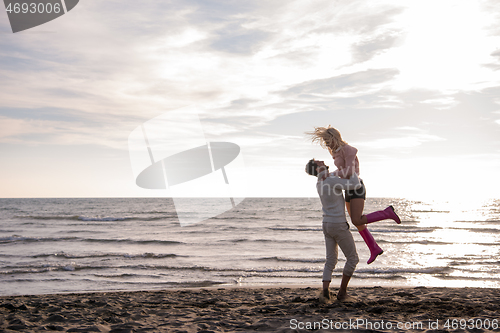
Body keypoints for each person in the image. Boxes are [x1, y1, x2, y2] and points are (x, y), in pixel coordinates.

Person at [307, 126, 401, 264]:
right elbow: (342, 170)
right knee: (356, 222)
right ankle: (374, 248)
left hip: (357, 187)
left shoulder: (348, 150)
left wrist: (331, 174)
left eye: (327, 141)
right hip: (348, 188)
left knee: (357, 220)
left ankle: (387, 213)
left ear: (334, 138)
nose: (327, 144)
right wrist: (332, 174)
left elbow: (350, 171)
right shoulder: (337, 152)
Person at [305, 158, 360, 301]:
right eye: (318, 161)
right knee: (353, 258)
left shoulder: (320, 182)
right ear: (317, 168)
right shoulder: (329, 181)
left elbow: (335, 175)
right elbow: (355, 184)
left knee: (330, 260)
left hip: (327, 224)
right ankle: (342, 292)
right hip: (338, 225)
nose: (322, 160)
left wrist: (343, 168)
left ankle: (325, 291)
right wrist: (351, 167)